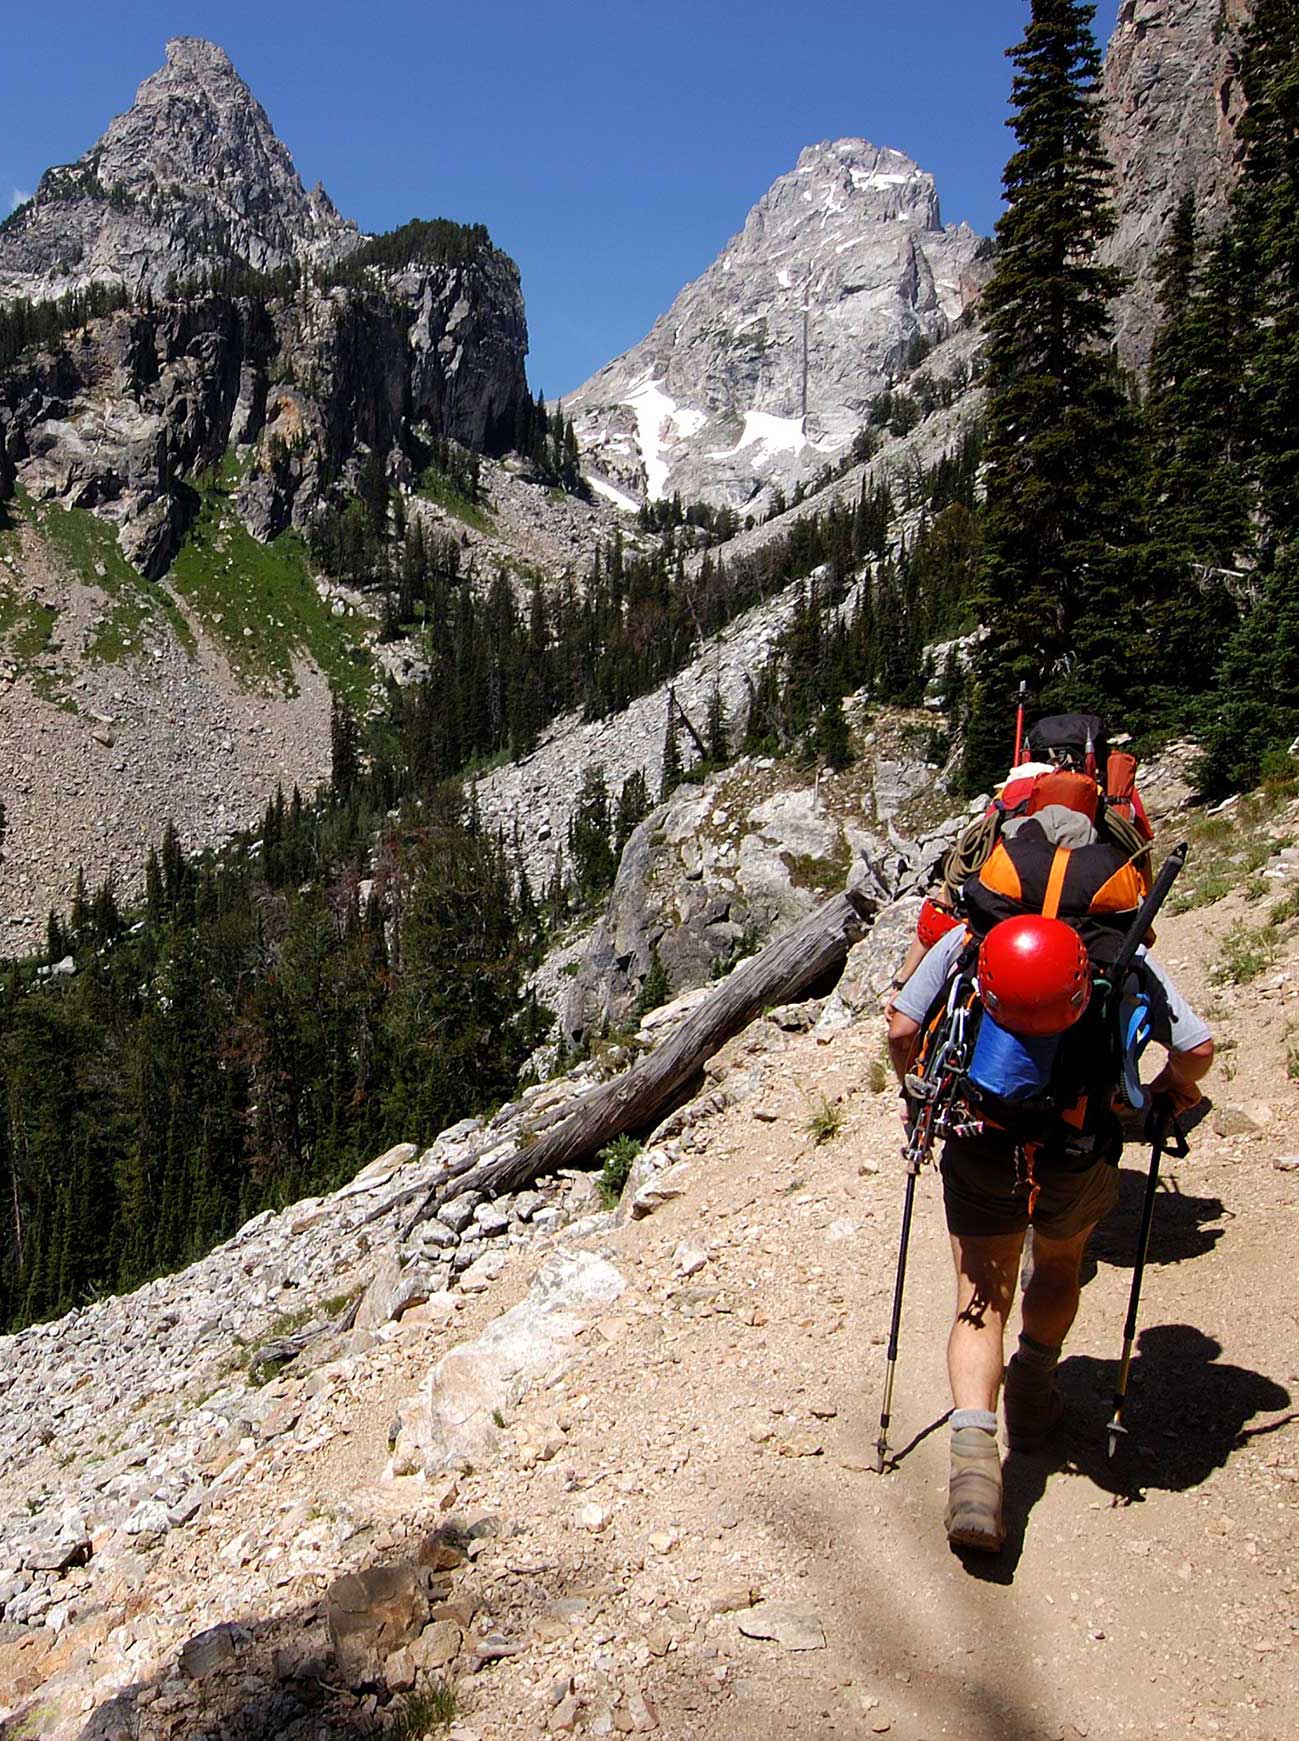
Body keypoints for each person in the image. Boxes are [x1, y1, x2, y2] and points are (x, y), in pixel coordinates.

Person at [884, 848, 1213, 1554]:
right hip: (1078, 1147)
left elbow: (902, 1027)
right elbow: (1195, 1046)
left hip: (979, 1139)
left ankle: (974, 1466)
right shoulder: (1118, 952)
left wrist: (912, 1094)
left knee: (980, 1294)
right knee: (1058, 1266)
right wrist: (1164, 1096)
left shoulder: (970, 937)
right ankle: (1033, 1393)